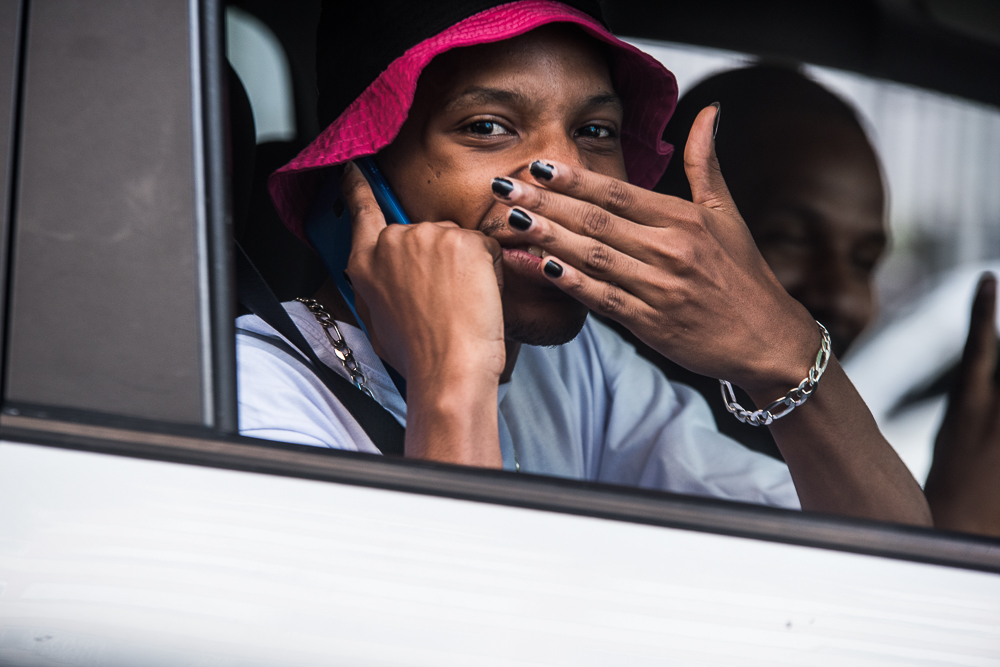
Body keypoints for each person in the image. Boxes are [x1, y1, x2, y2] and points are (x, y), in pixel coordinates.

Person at [237, 0, 931, 526]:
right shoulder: (254, 399)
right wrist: (454, 380)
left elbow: (885, 567)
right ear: (356, 175)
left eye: (595, 131)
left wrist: (784, 353)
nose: (565, 173)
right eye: (487, 127)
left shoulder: (580, 371)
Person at [608, 65, 998, 535]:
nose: (842, 297)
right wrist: (959, 530)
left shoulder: (793, 462)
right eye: (791, 239)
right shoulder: (598, 403)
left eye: (864, 261)